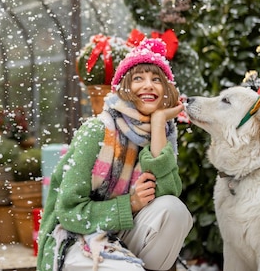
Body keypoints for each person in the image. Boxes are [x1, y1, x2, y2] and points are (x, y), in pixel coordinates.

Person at [37, 38, 193, 271]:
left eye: (156, 79)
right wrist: (130, 203)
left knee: (174, 210)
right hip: (78, 236)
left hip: (122, 230)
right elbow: (69, 213)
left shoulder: (162, 134)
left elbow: (166, 194)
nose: (148, 85)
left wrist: (159, 122)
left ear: (166, 90)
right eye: (138, 78)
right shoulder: (98, 131)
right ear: (125, 89)